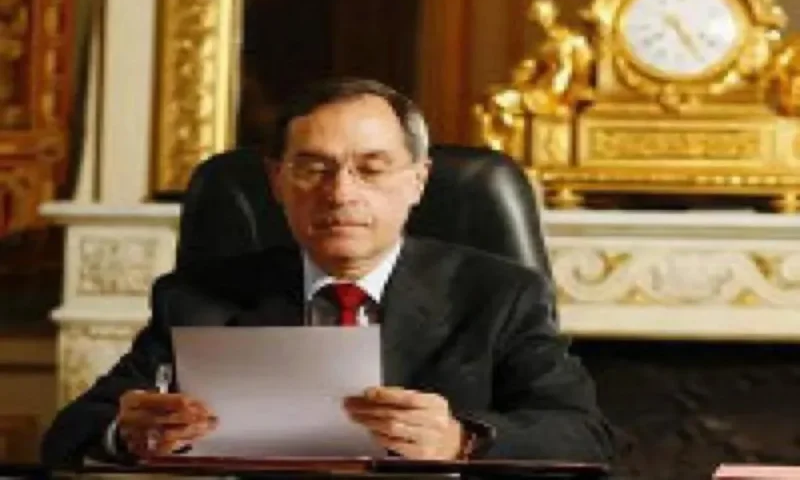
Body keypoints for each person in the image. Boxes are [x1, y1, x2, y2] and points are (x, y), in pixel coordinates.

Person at [41, 78, 614, 466]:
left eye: (372, 169)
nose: (340, 193)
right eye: (313, 168)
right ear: (277, 181)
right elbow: (69, 434)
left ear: (417, 181)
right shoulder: (198, 298)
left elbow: (585, 435)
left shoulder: (498, 294)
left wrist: (461, 440)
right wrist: (128, 433)